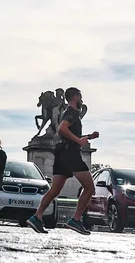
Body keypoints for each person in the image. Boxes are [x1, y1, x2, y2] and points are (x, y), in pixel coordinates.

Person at [27, 87, 99, 234]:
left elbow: (67, 133)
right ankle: (76, 220)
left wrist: (88, 137)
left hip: (62, 153)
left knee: (54, 190)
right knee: (90, 188)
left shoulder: (69, 113)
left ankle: (36, 217)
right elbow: (62, 129)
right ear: (75, 97)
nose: (82, 100)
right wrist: (79, 141)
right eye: (80, 97)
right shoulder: (71, 113)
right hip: (70, 154)